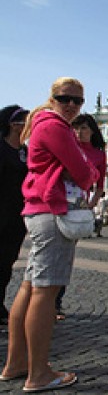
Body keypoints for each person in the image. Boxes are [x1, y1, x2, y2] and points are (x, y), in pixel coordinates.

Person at [2, 77, 97, 391]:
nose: (71, 105)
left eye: (77, 101)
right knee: (45, 292)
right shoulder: (55, 126)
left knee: (30, 287)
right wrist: (88, 167)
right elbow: (85, 173)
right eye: (64, 98)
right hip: (52, 211)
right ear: (52, 97)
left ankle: (16, 363)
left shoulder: (42, 123)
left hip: (38, 210)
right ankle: (39, 373)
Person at [54, 114, 108, 321]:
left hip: (77, 206)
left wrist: (92, 204)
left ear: (92, 130)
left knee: (66, 255)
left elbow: (100, 185)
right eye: (76, 128)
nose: (79, 133)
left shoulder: (98, 155)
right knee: (52, 252)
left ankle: (56, 303)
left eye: (84, 128)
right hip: (59, 201)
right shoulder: (68, 147)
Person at [0, 105, 28, 327]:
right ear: (13, 124)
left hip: (18, 214)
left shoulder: (25, 151)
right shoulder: (1, 148)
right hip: (1, 210)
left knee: (7, 261)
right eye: (24, 122)